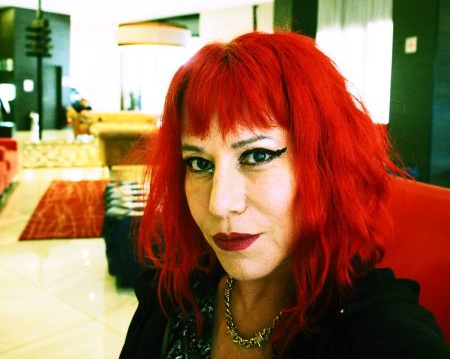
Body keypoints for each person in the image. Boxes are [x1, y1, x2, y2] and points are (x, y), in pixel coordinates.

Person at [120, 32, 450, 358]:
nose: (219, 204)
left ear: (325, 165)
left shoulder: (376, 328)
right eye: (199, 163)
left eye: (257, 156)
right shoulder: (171, 294)